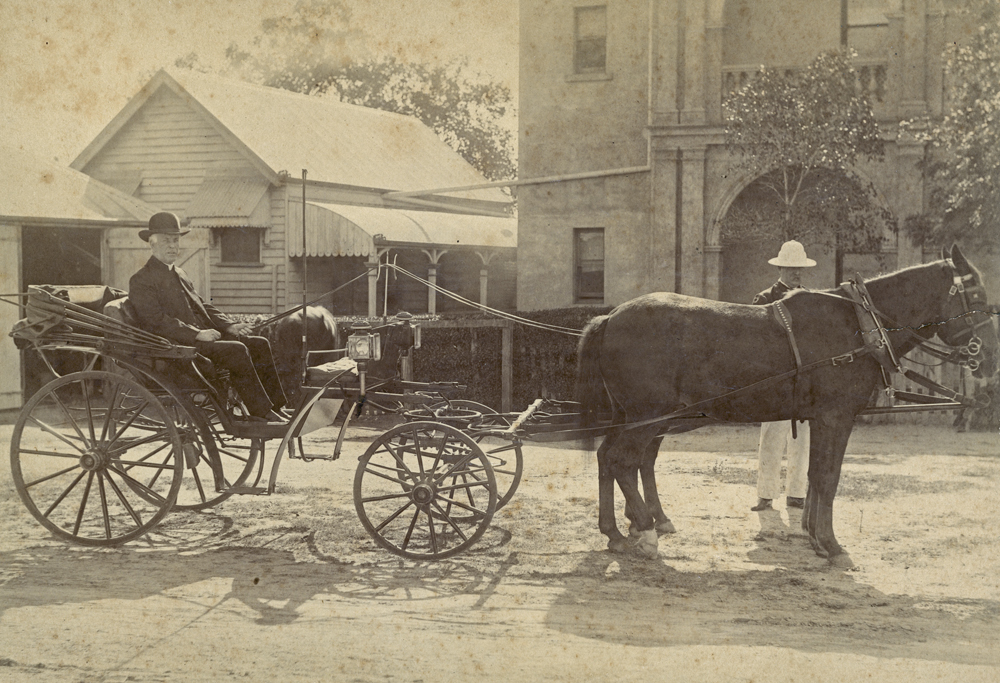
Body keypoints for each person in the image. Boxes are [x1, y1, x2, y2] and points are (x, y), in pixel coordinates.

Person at [129, 212, 288, 422]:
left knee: (259, 344)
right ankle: (260, 412)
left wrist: (229, 326)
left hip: (199, 342)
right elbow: (155, 322)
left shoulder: (179, 273)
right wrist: (197, 334)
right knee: (237, 350)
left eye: (175, 240)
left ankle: (276, 406)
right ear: (152, 244)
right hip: (176, 349)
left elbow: (201, 305)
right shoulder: (141, 280)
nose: (172, 246)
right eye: (166, 241)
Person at [750, 240, 815, 512]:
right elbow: (756, 339)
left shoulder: (812, 299)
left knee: (802, 438)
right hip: (775, 377)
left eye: (799, 269)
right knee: (772, 436)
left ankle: (797, 494)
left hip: (803, 378)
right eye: (790, 268)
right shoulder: (764, 299)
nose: (796, 274)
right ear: (780, 268)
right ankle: (765, 494)